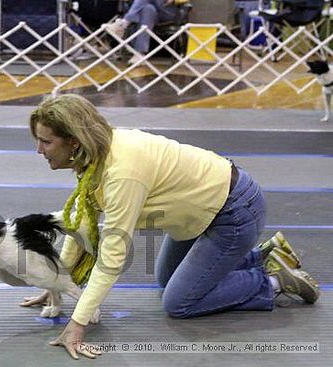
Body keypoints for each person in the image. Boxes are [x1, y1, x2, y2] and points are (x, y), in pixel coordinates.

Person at [21, 93, 320, 360]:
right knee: (167, 278)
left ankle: (274, 281)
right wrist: (59, 283)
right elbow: (82, 220)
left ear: (73, 140)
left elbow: (112, 255)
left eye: (45, 141)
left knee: (180, 302)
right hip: (208, 208)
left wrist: (77, 325)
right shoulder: (95, 153)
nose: (38, 150)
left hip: (234, 213)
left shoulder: (122, 173)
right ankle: (263, 255)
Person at [106, 0, 179, 65]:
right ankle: (139, 53)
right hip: (151, 10)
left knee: (145, 7)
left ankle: (124, 23)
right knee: (148, 9)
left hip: (168, 10)